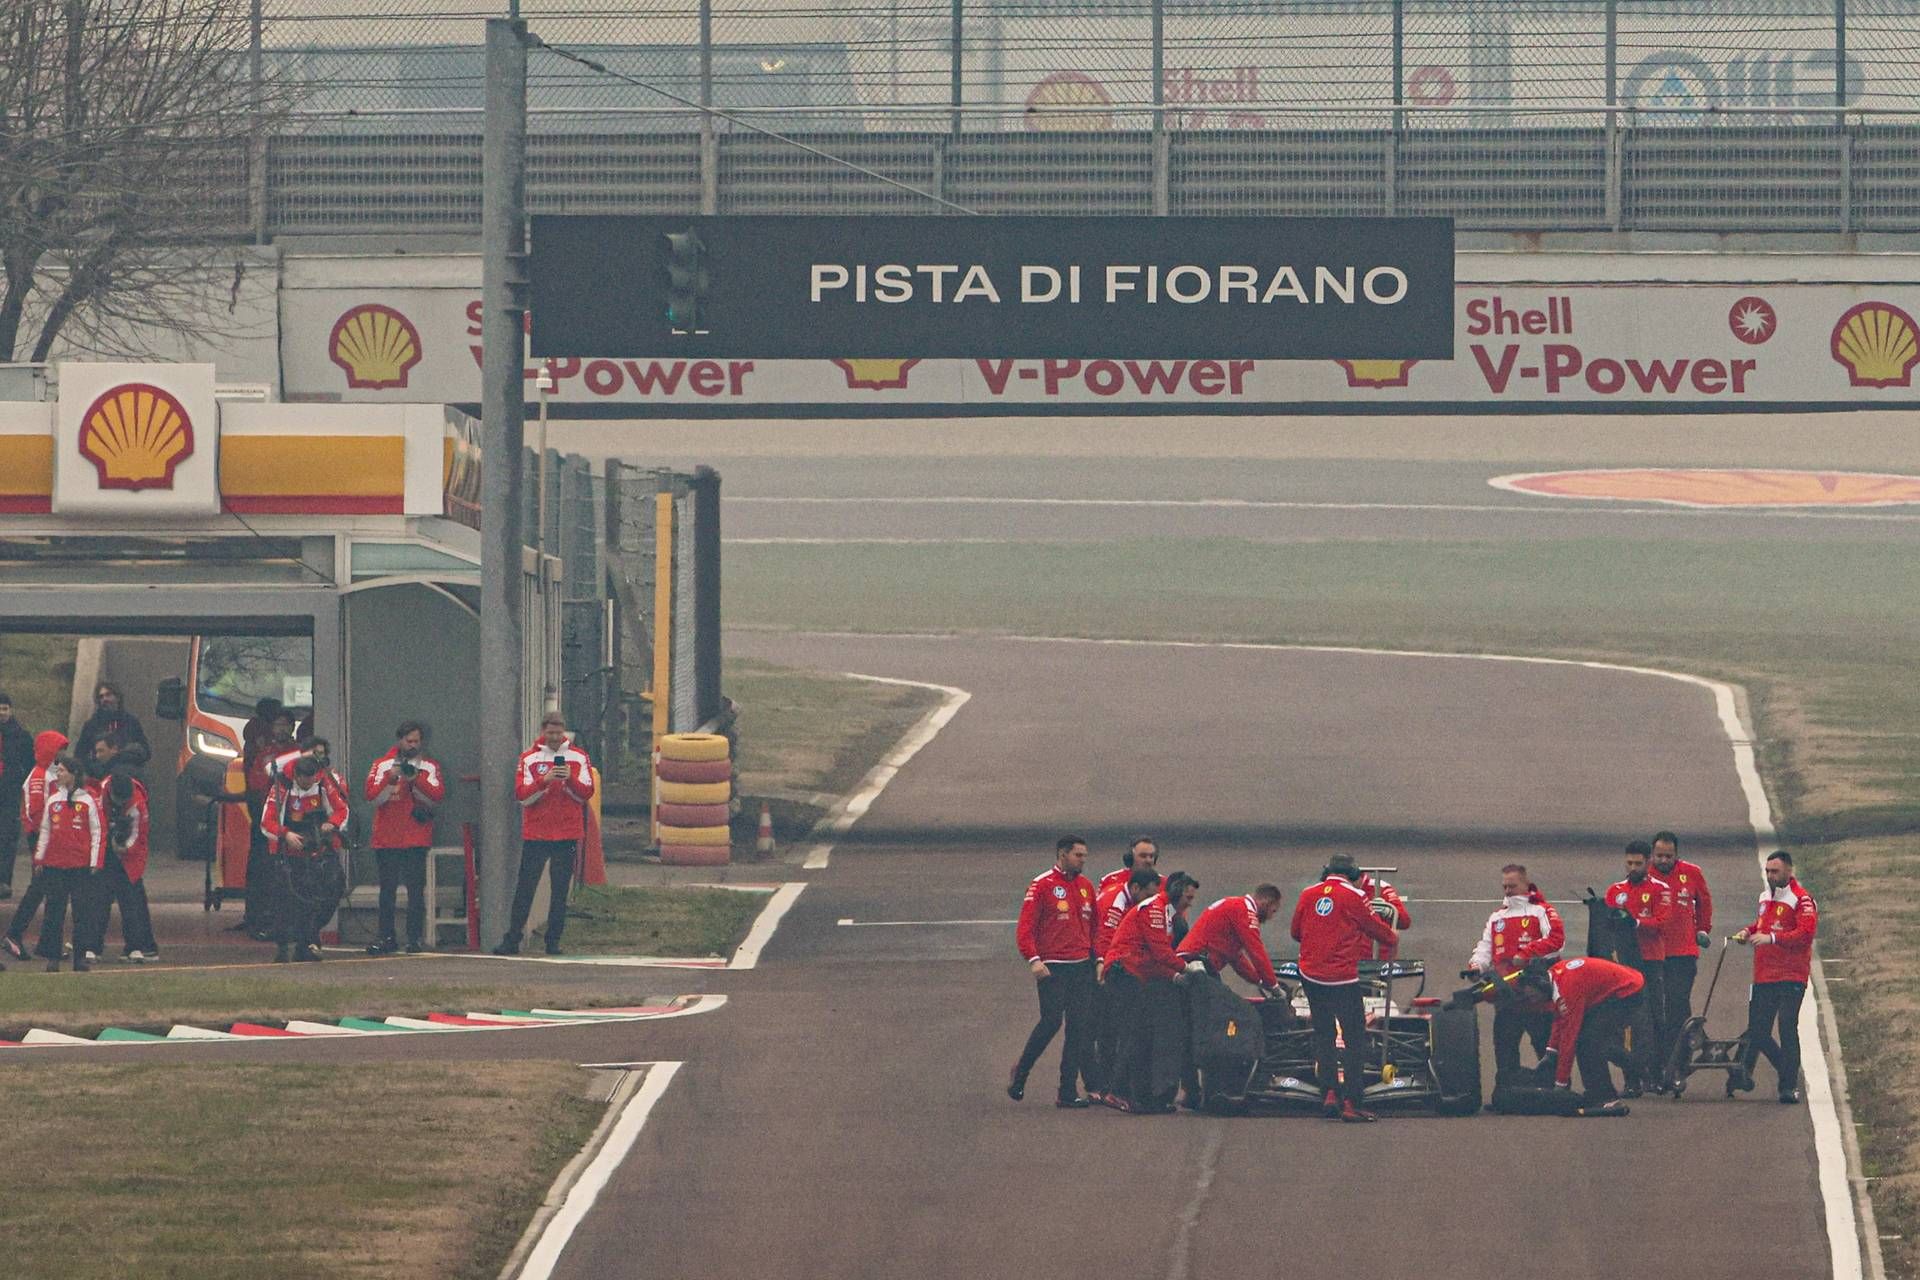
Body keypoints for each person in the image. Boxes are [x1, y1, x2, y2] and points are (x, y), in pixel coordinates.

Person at [1290, 854, 1398, 1123]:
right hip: (1341, 979)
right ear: (1354, 874)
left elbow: (1295, 932)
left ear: (1325, 872)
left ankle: (1328, 1093)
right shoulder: (1355, 896)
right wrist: (1391, 937)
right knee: (1355, 1038)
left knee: (1324, 1033)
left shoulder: (1307, 894)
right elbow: (1380, 931)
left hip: (1310, 977)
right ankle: (1351, 1101)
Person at [495, 712, 596, 957]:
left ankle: (553, 941)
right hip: (537, 833)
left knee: (560, 890)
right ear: (543, 731)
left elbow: (586, 793)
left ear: (564, 731)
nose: (554, 737)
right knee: (525, 888)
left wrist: (569, 779)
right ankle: (513, 939)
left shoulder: (578, 757)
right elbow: (522, 795)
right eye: (550, 732)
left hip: (567, 833)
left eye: (558, 732)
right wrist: (545, 780)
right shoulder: (529, 758)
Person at [1008, 835, 1098, 1107]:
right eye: (1078, 855)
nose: (1083, 860)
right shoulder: (1042, 885)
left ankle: (1067, 1091)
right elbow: (1025, 928)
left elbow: (1094, 926)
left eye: (1084, 855)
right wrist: (1034, 959)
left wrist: (1096, 957)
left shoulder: (1085, 887)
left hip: (1081, 966)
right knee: (1051, 1022)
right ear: (1062, 855)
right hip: (1053, 967)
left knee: (1078, 1029)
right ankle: (1021, 1071)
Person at [1103, 870, 1197, 1113]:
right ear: (1176, 893)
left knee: (1143, 1035)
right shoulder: (1155, 909)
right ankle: (1117, 1092)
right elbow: (1160, 952)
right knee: (1134, 1034)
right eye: (1187, 897)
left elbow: (1155, 957)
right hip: (1123, 972)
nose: (1189, 903)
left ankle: (1140, 1096)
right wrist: (1187, 968)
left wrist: (1175, 975)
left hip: (1135, 972)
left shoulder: (1166, 913)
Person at [1731, 851, 1818, 1104]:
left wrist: (1772, 938)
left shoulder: (1802, 900)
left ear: (1789, 871)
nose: (1770, 876)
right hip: (1764, 975)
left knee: (1787, 1027)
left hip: (1791, 975)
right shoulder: (1764, 897)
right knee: (1757, 1031)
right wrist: (1748, 931)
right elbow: (1763, 923)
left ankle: (1788, 1087)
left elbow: (1805, 934)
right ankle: (1787, 1069)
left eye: (1775, 871)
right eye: (1768, 871)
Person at [1468, 863, 1566, 1078]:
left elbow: (1557, 941)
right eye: (1504, 887)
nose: (1507, 891)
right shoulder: (1496, 917)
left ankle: (1554, 1088)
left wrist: (1527, 953)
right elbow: (1485, 947)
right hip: (1506, 996)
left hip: (1537, 996)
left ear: (1525, 884)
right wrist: (1476, 966)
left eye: (1512, 886)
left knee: (1545, 1047)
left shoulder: (1542, 910)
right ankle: (1506, 1090)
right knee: (1504, 1048)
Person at [363, 721, 447, 954]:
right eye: (408, 741)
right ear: (400, 740)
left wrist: (415, 780)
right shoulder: (381, 765)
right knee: (387, 891)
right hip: (386, 837)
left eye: (416, 741)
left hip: (415, 838)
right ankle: (386, 936)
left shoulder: (429, 766)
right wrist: (391, 779)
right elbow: (370, 797)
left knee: (415, 892)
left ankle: (414, 938)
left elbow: (437, 796)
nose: (412, 745)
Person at [1529, 954, 1652, 1104]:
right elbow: (1559, 1019)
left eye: (1533, 995)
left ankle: (1605, 1095)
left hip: (1628, 991)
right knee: (1592, 1040)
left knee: (1591, 1042)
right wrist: (1551, 1052)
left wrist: (1560, 1084)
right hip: (1615, 989)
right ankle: (1633, 1072)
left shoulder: (1568, 989)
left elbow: (1569, 1039)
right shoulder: (1555, 977)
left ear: (1542, 985)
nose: (1532, 1001)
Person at [1600, 840, 1672, 1093]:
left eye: (1638, 863)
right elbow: (1605, 926)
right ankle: (1631, 1078)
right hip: (1624, 964)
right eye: (1629, 863)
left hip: (1651, 961)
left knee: (1654, 1018)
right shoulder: (1615, 891)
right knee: (1625, 1021)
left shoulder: (1661, 889)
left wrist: (1635, 923)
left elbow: (1662, 922)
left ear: (1648, 862)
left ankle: (1657, 1072)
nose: (1633, 867)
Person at [260, 754, 348, 963]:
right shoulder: (281, 788)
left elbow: (342, 810)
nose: (308, 782)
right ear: (296, 775)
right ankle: (284, 947)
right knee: (286, 902)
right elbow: (267, 822)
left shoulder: (323, 784)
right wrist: (286, 835)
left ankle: (307, 942)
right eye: (304, 779)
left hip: (317, 853)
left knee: (322, 897)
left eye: (311, 778)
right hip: (288, 855)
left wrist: (332, 824)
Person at [1090, 858, 1162, 1104]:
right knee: (1111, 1029)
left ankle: (1109, 1087)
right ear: (1135, 890)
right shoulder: (1116, 902)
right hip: (1105, 967)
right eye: (1147, 896)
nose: (1150, 901)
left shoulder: (1134, 900)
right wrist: (1101, 962)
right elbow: (1104, 936)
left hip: (1114, 965)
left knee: (1117, 1028)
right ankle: (1110, 1088)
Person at [1650, 830, 1713, 1080]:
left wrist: (1703, 929)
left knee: (1678, 1004)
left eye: (1669, 856)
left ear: (1676, 855)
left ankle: (1679, 1059)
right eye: (1659, 856)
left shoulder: (1692, 873)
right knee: (1658, 1009)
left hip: (1684, 952)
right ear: (1652, 855)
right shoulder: (1644, 876)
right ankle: (1667, 1057)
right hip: (1654, 954)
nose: (1664, 860)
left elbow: (1705, 902)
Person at [33, 754, 103, 972]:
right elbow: (45, 830)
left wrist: (94, 861)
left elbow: (98, 832)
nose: (58, 774)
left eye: (62, 770)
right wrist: (39, 857)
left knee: (82, 912)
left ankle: (80, 957)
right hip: (55, 865)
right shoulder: (53, 800)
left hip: (80, 866)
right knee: (54, 912)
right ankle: (52, 957)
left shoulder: (88, 800)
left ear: (73, 774)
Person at [3, 729, 68, 960]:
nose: (62, 753)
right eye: (59, 748)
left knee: (49, 889)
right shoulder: (40, 776)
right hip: (43, 838)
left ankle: (46, 942)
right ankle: (15, 934)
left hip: (47, 837)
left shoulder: (48, 774)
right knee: (42, 887)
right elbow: (37, 811)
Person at [83, 769, 158, 963]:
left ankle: (135, 946)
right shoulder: (99, 795)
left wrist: (123, 847)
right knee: (99, 899)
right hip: (104, 852)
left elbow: (139, 835)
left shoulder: (137, 803)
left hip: (128, 858)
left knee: (131, 902)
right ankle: (91, 945)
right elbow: (95, 825)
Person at [237, 708, 297, 936]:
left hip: (291, 820)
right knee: (263, 868)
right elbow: (254, 783)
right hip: (267, 819)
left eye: (286, 724)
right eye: (278, 724)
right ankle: (259, 916)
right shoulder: (265, 754)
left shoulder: (298, 753)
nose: (282, 729)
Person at [1177, 885, 1284, 993]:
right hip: (1196, 961)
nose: (1271, 917)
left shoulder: (1236, 905)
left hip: (1193, 960)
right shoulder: (1246, 911)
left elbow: (1236, 957)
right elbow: (1256, 951)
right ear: (1265, 902)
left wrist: (1259, 981)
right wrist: (1273, 985)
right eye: (1273, 911)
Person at [0, 690, 34, 899]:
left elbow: (29, 764)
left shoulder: (21, 735)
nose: (1, 713)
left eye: (4, 709)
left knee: (7, 838)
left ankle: (4, 881)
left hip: (9, 795)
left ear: (10, 711)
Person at [74, 682, 150, 772]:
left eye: (108, 695)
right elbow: (79, 755)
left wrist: (126, 756)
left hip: (128, 775)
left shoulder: (131, 722)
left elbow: (146, 752)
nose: (105, 699)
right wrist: (94, 768)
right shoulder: (91, 725)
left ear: (117, 697)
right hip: (99, 777)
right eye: (101, 697)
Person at [1355, 869, 1411, 961]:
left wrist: (1388, 912)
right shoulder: (1331, 889)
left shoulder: (1381, 887)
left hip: (1380, 957)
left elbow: (1405, 921)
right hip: (1343, 956)